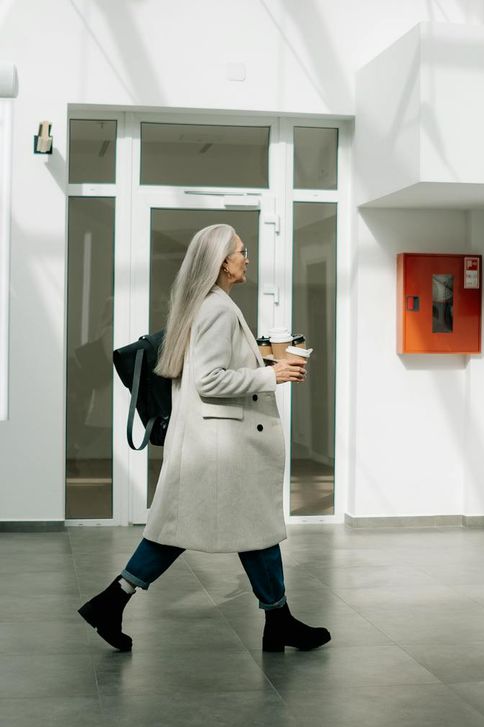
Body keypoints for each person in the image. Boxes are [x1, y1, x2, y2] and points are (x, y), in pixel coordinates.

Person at [78, 224, 330, 653]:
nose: (247, 258)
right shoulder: (217, 309)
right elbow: (209, 379)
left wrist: (260, 358)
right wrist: (271, 374)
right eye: (241, 252)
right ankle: (112, 601)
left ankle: (277, 619)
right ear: (222, 262)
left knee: (240, 530)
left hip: (213, 441)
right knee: (200, 531)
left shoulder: (204, 304)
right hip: (221, 447)